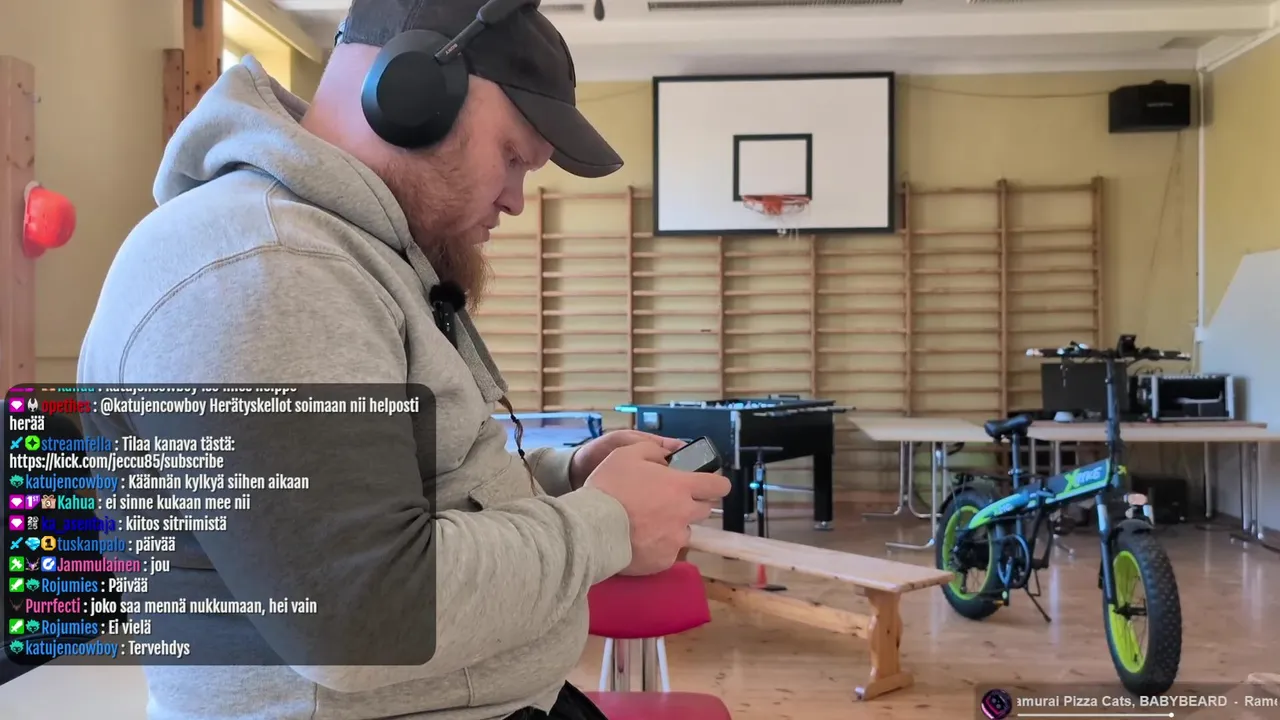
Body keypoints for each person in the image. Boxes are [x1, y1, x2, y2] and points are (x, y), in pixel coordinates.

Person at [75, 0, 731, 717]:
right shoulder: (269, 269)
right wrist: (608, 523)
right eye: (513, 157)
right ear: (413, 92)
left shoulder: (338, 252)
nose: (516, 200)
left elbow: (393, 489)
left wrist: (563, 478)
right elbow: (360, 618)